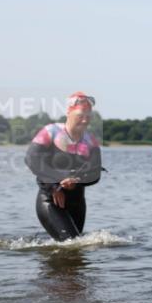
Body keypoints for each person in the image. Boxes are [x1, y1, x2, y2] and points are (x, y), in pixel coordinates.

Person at [25, 92, 102, 241]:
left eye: (88, 115)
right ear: (68, 112)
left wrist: (76, 182)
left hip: (77, 202)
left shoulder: (91, 140)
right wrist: (56, 183)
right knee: (71, 243)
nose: (85, 120)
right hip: (51, 199)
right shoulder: (50, 132)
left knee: (75, 248)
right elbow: (31, 160)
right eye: (80, 115)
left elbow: (95, 174)